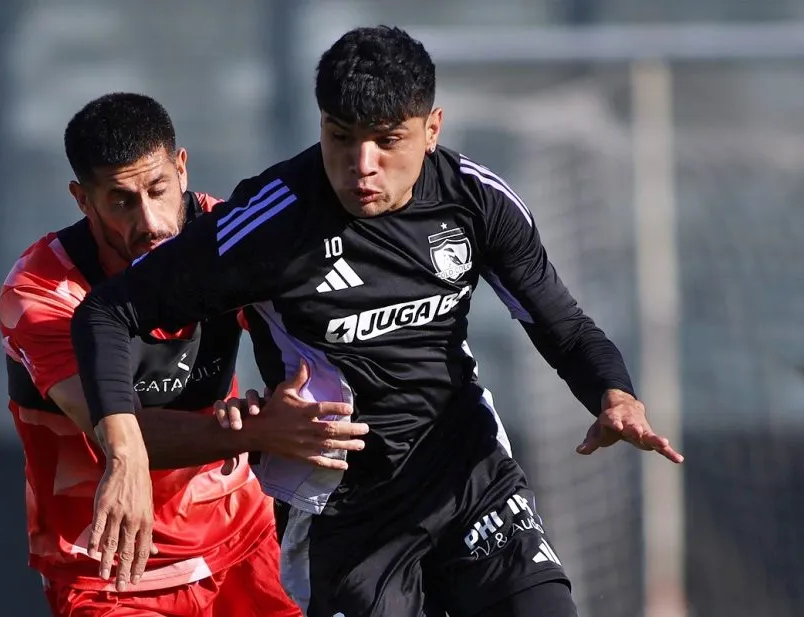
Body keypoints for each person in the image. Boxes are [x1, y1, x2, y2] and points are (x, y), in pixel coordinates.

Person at [70, 28, 684, 617]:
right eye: (341, 137)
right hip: (345, 509)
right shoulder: (270, 221)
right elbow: (107, 311)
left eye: (387, 140)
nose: (362, 164)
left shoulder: (475, 200)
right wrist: (125, 455)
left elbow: (563, 325)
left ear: (431, 129)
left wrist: (614, 393)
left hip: (467, 473)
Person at [0, 92, 367, 616]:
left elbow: (315, 341)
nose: (150, 221)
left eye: (158, 190)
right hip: (111, 572)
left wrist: (277, 405)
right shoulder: (40, 292)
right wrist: (256, 432)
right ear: (82, 200)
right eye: (121, 202)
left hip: (246, 545)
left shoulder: (228, 235)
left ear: (182, 169)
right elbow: (121, 433)